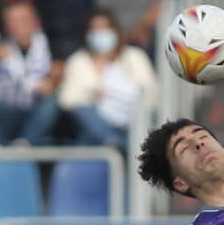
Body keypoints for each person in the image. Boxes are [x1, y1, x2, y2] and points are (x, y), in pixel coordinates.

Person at [0, 1, 62, 147]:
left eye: (23, 19)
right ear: (6, 26)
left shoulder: (50, 45)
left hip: (31, 111)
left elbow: (59, 74)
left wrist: (52, 81)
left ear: (35, 22)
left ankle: (24, 145)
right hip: (2, 110)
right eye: (12, 21)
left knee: (51, 99)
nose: (18, 25)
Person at [57, 8, 156, 148]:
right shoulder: (77, 61)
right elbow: (66, 99)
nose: (100, 33)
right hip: (92, 132)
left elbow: (150, 93)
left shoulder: (134, 56)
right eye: (95, 29)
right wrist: (93, 94)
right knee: (84, 110)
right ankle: (112, 142)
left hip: (132, 124)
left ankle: (121, 144)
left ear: (115, 31)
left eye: (104, 28)